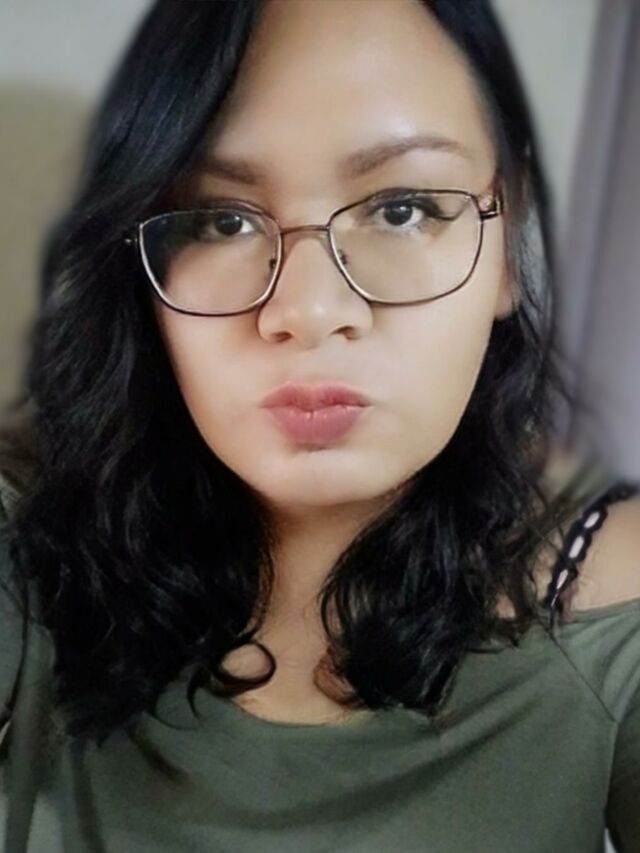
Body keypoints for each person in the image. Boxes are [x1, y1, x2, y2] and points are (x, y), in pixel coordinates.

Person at [0, 1, 639, 850]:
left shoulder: (612, 594)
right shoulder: (35, 539)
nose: (306, 309)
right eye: (222, 219)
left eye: (403, 207)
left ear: (506, 238)